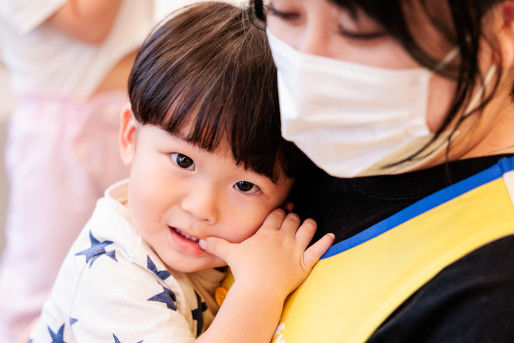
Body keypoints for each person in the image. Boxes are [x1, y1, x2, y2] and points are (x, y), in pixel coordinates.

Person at [28, 3, 334, 342]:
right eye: (183, 162)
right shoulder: (114, 277)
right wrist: (259, 289)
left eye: (245, 185)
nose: (201, 207)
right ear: (131, 137)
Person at [249, 0, 514, 341]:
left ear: (504, 23)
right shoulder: (272, 126)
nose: (308, 63)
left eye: (361, 30)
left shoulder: (493, 294)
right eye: (285, 13)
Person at [0, 0, 154, 340]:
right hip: (64, 133)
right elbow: (91, 26)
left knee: (133, 267)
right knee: (41, 289)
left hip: (119, 115)